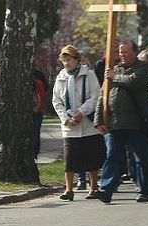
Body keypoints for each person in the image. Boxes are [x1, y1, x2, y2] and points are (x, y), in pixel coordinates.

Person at [94, 40, 148, 204]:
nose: (123, 55)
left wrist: (115, 77)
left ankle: (145, 191)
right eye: (121, 52)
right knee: (112, 156)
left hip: (136, 123)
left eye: (126, 52)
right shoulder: (115, 70)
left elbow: (134, 81)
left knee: (141, 158)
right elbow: (103, 95)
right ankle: (105, 190)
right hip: (115, 123)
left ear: (135, 52)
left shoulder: (142, 68)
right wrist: (99, 119)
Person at [52, 45, 105, 201]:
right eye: (64, 61)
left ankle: (93, 186)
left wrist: (82, 112)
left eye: (69, 60)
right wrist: (65, 118)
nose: (67, 63)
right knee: (70, 158)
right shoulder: (61, 77)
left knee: (91, 157)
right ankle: (69, 189)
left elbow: (95, 96)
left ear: (77, 60)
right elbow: (57, 101)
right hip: (70, 125)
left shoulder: (88, 75)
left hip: (87, 122)